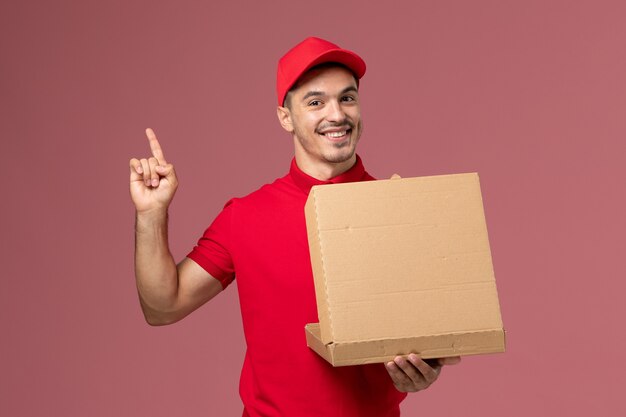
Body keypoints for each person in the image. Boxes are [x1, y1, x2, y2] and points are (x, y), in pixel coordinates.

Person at [129, 37, 461, 417]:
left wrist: (424, 369)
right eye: (316, 102)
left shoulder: (399, 210)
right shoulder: (246, 216)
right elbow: (163, 307)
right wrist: (152, 215)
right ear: (285, 117)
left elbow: (429, 332)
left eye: (347, 98)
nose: (336, 114)